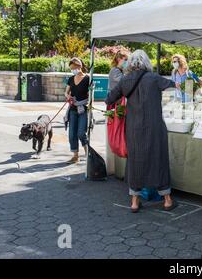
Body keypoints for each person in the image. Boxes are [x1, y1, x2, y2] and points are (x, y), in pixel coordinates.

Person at [105, 50, 180, 213]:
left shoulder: (125, 80)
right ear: (146, 62)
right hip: (155, 127)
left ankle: (134, 202)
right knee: (159, 159)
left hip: (134, 128)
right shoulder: (154, 78)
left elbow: (109, 99)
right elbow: (174, 86)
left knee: (135, 161)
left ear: (131, 63)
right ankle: (167, 200)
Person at [106, 50, 129, 176]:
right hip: (114, 105)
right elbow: (125, 83)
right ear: (119, 59)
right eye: (125, 60)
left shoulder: (120, 71)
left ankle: (120, 149)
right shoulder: (115, 71)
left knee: (118, 129)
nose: (126, 63)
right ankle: (118, 149)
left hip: (116, 105)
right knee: (116, 129)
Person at [64, 57, 90, 164]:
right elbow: (66, 92)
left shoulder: (87, 78)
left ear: (79, 66)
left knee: (81, 133)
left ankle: (87, 153)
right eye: (71, 68)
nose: (73, 70)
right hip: (73, 109)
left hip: (83, 109)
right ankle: (75, 156)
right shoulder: (71, 79)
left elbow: (91, 94)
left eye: (74, 68)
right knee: (72, 134)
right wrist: (67, 96)